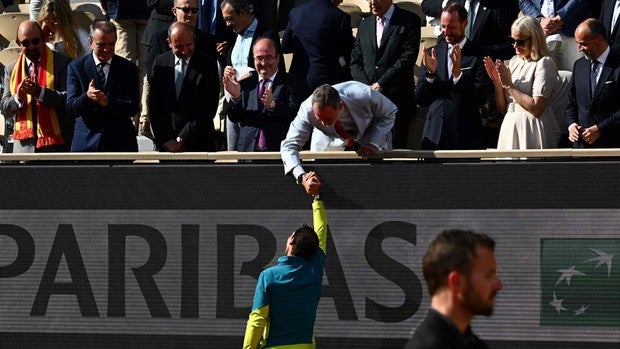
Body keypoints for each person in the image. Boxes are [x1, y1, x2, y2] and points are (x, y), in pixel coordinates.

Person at [242, 189, 327, 349]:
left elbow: (257, 320)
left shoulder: (268, 276)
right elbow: (321, 233)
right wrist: (317, 199)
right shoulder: (315, 269)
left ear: (292, 240)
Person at [281, 82, 396, 195]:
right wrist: (301, 176)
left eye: (328, 118)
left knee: (377, 185)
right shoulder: (306, 110)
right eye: (319, 119)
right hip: (328, 141)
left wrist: (374, 143)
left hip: (369, 134)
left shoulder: (363, 94)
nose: (324, 124)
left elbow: (390, 111)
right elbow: (289, 145)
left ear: (340, 107)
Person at [404, 229, 503, 349]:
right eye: (488, 276)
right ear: (456, 283)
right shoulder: (429, 345)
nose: (499, 285)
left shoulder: (471, 343)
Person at [415, 2, 489, 150]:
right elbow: (420, 99)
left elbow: (480, 98)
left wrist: (459, 76)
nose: (446, 32)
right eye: (443, 27)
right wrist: (431, 75)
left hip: (465, 136)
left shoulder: (479, 56)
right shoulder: (431, 54)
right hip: (434, 136)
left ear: (465, 24)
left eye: (452, 27)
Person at [350, 0, 421, 149]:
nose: (372, 2)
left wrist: (381, 84)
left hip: (397, 100)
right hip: (367, 103)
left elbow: (406, 58)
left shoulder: (409, 20)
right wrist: (368, 89)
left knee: (397, 151)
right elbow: (355, 62)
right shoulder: (365, 25)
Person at [484, 16, 560, 149]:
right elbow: (504, 108)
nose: (515, 46)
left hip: (532, 127)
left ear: (535, 39)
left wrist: (509, 85)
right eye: (512, 41)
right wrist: (497, 83)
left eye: (520, 42)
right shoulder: (514, 61)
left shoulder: (544, 63)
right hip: (510, 125)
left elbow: (537, 108)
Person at [66, 20, 140, 152]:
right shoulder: (77, 67)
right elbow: (71, 107)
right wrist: (87, 97)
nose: (107, 49)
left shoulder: (129, 69)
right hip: (86, 144)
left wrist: (108, 103)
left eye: (111, 44)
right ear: (90, 42)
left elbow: (133, 107)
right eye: (101, 45)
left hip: (120, 144)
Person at [0, 20, 72, 153]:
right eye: (26, 43)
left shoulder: (62, 63)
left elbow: (69, 100)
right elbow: (5, 108)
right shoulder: (11, 69)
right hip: (24, 149)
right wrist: (18, 97)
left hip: (56, 147)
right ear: (18, 43)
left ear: (43, 39)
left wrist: (40, 92)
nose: (32, 46)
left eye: (36, 41)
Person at [220, 0, 282, 150]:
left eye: (230, 18)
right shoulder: (234, 36)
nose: (228, 24)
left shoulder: (266, 34)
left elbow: (274, 69)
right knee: (233, 150)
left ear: (242, 13)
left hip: (257, 101)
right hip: (235, 101)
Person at [149, 22, 220, 152]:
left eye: (189, 45)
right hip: (167, 145)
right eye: (179, 46)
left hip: (199, 143)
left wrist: (182, 138)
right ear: (169, 43)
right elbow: (154, 106)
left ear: (194, 40)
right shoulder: (161, 62)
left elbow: (207, 108)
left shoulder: (207, 64)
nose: (185, 50)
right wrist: (165, 139)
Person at [223, 37, 303, 151]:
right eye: (259, 58)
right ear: (253, 59)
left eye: (269, 57)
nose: (264, 63)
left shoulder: (292, 83)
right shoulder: (245, 83)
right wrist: (236, 98)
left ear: (278, 58)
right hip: (248, 151)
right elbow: (234, 117)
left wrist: (273, 105)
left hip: (278, 152)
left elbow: (297, 116)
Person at [566, 18, 620, 148]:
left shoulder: (617, 64)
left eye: (583, 44)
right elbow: (571, 104)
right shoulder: (579, 65)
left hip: (612, 146)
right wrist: (571, 125)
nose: (579, 49)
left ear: (599, 40)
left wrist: (601, 129)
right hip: (581, 147)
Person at [281, 0, 354, 95]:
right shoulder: (340, 17)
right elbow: (349, 53)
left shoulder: (295, 12)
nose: (342, 1)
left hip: (297, 77)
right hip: (326, 82)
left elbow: (285, 46)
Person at [519, 0, 589, 71]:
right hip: (540, 32)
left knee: (572, 73)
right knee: (541, 73)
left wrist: (561, 17)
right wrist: (539, 19)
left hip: (570, 30)